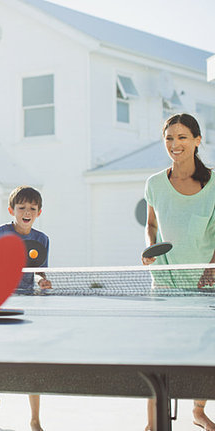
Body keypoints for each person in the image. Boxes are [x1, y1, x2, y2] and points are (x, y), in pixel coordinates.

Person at [142, 113, 215, 431]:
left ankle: (198, 410)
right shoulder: (155, 183)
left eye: (183, 137)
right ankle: (152, 423)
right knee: (160, 354)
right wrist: (149, 249)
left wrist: (212, 270)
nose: (175, 144)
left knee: (206, 352)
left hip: (205, 281)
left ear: (197, 140)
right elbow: (152, 224)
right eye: (169, 138)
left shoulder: (214, 183)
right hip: (165, 281)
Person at [0, 186, 51, 431]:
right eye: (22, 208)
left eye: (32, 208)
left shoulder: (42, 240)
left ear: (39, 212)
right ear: (12, 210)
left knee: (33, 360)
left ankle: (34, 419)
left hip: (27, 303)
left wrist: (42, 281)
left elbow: (41, 271)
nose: (26, 212)